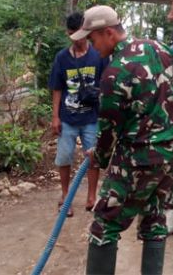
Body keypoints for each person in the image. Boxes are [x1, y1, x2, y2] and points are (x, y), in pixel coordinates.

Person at [69, 5, 173, 275]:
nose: (91, 45)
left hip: (139, 158)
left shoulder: (114, 73)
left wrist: (96, 157)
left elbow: (109, 128)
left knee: (104, 223)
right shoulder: (160, 49)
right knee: (154, 218)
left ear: (108, 33)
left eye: (92, 38)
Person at [48, 12, 108, 217]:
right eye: (73, 35)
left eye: (81, 35)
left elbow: (108, 83)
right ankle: (66, 196)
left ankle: (92, 197)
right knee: (64, 157)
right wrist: (55, 117)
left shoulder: (99, 54)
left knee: (93, 158)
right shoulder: (62, 58)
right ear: (69, 34)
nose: (78, 40)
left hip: (92, 118)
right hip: (68, 118)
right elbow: (57, 88)